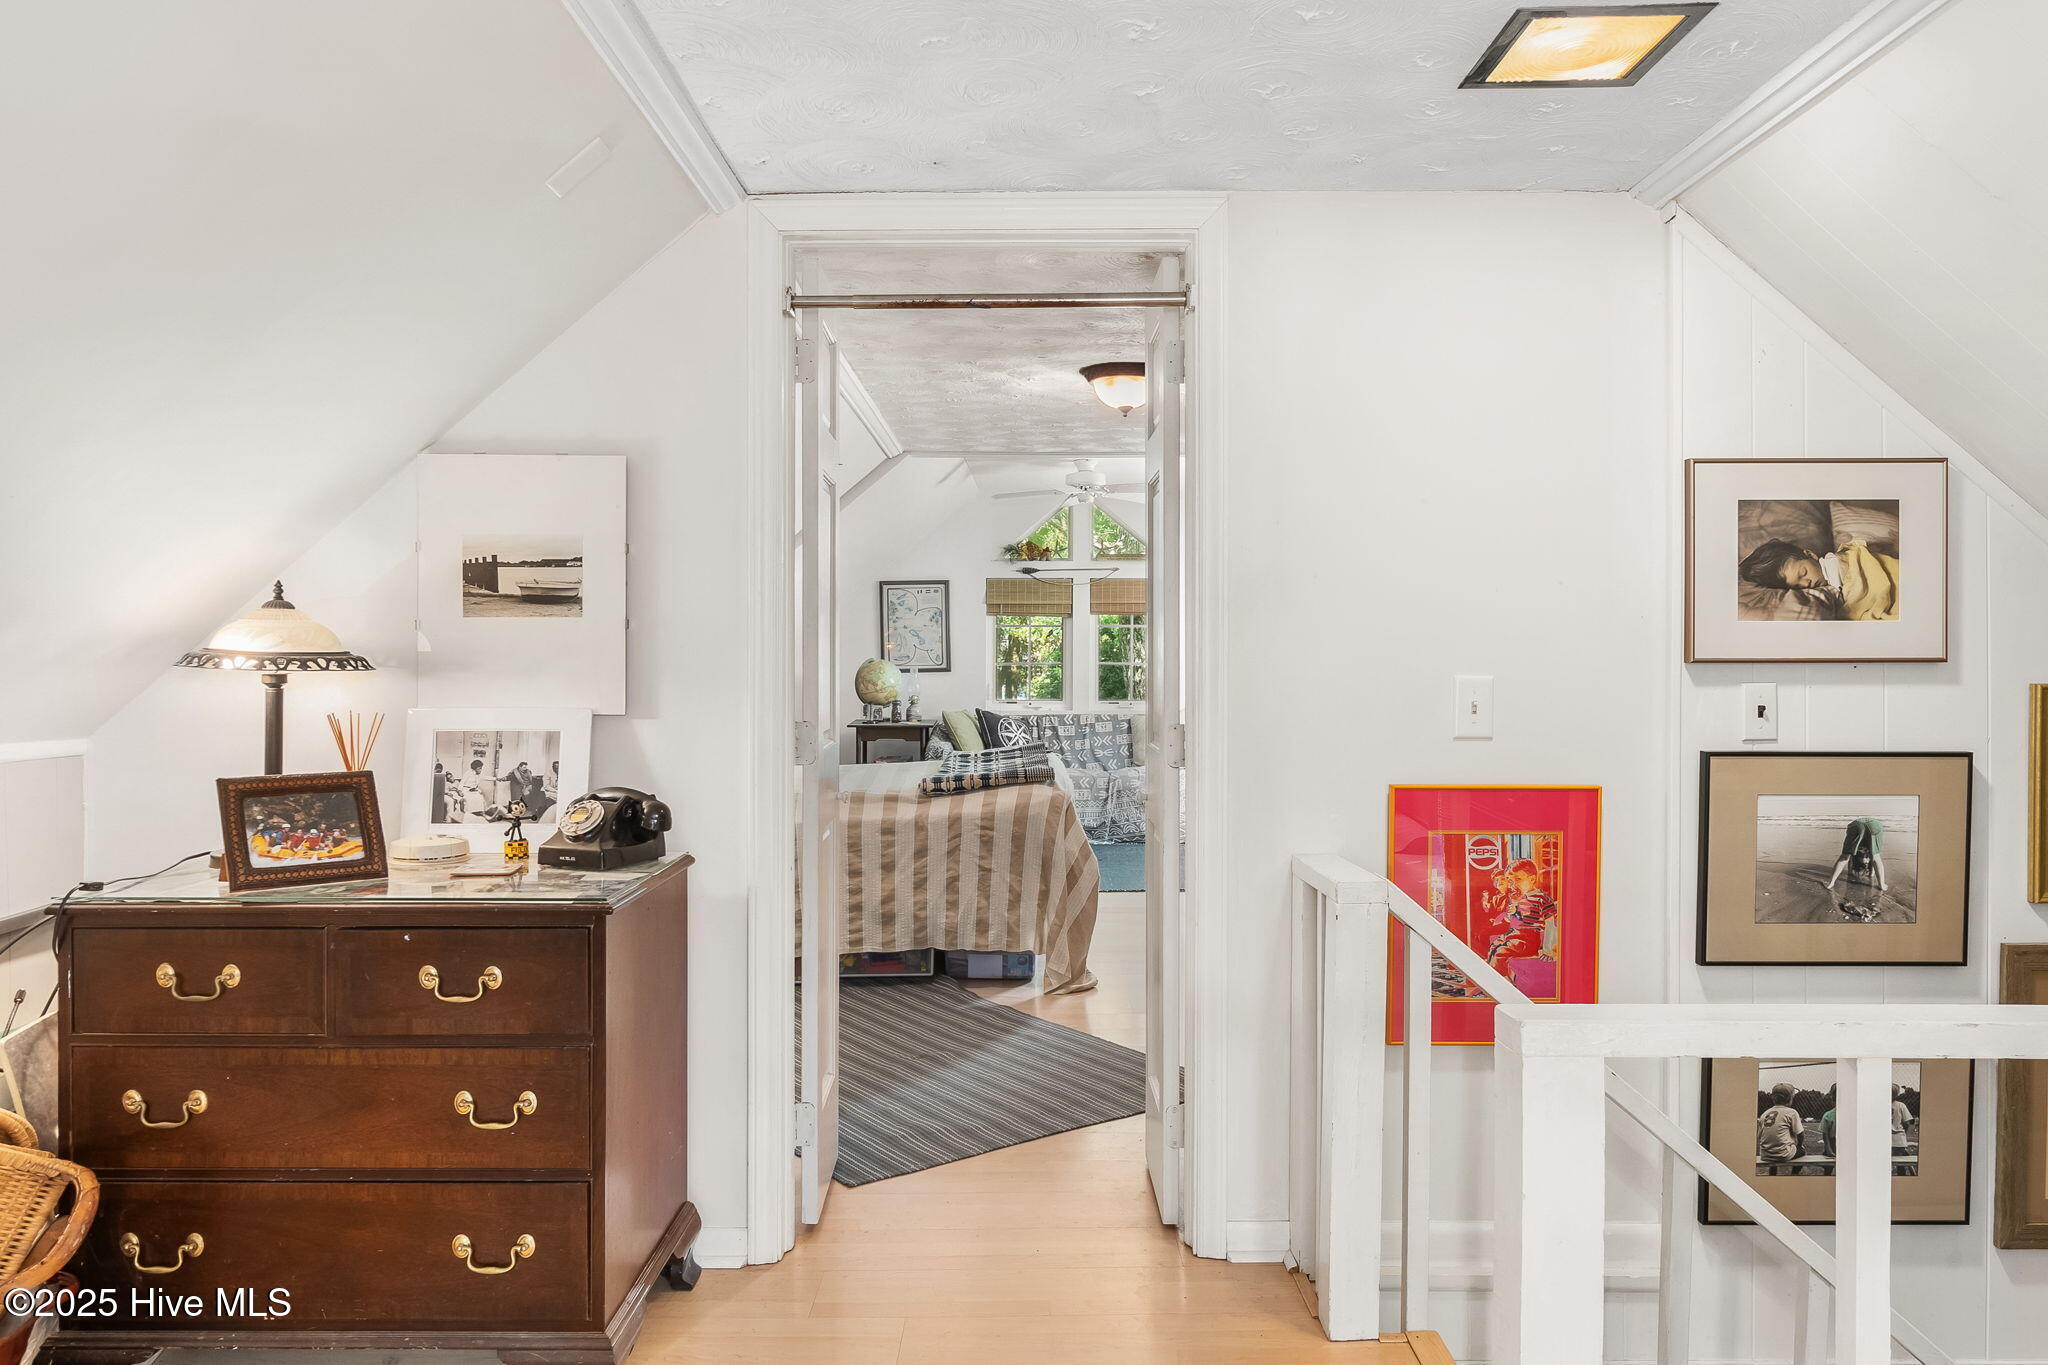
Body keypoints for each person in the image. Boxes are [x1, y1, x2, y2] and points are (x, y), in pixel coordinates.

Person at [1738, 536, 1900, 620]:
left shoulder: (1836, 560)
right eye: (1798, 585)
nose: (1806, 583)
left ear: (1810, 555)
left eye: (1803, 573)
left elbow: (1863, 560)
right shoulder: (1827, 592)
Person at [1826, 816, 1889, 895]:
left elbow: (1851, 856)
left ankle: (1831, 882)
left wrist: (1849, 872)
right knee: (1875, 857)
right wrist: (1871, 874)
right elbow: (1872, 858)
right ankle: (1881, 884)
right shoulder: (1867, 853)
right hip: (1875, 826)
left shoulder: (1857, 854)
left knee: (1845, 856)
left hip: (1856, 825)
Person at [1758, 1083, 1805, 1176]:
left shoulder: (1765, 1113)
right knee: (1802, 1151)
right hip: (1783, 1154)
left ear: (1773, 1098)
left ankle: (1772, 1174)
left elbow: (1759, 1136)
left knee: (1775, 1144)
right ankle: (1794, 1174)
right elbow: (1801, 1134)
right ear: (1790, 1098)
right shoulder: (1792, 1112)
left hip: (1765, 1155)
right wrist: (1798, 1147)